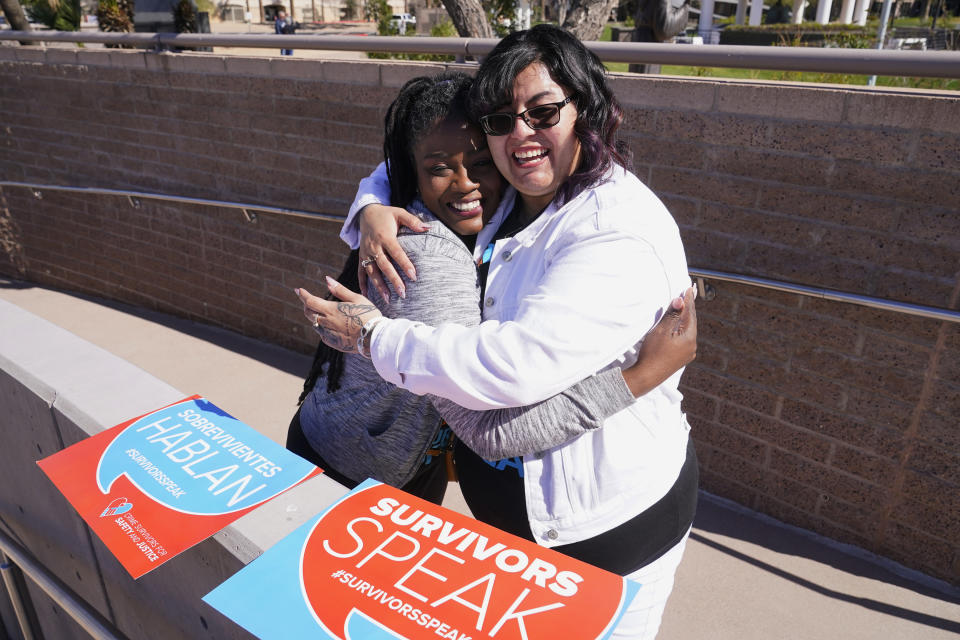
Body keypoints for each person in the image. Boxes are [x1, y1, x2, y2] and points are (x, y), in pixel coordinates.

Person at [298, 25, 697, 639]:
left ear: (588, 107)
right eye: (501, 121)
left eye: (543, 112)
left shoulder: (611, 231)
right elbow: (423, 152)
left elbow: (500, 406)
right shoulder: (496, 202)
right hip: (374, 473)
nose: (520, 136)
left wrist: (374, 336)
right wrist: (373, 202)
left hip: (602, 538)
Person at [289, 73, 697, 508]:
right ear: (415, 173)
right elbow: (490, 430)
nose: (466, 183)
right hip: (348, 469)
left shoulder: (497, 210)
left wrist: (369, 202)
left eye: (481, 162)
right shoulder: (427, 258)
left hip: (402, 458)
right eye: (440, 169)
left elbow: (409, 159)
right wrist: (641, 377)